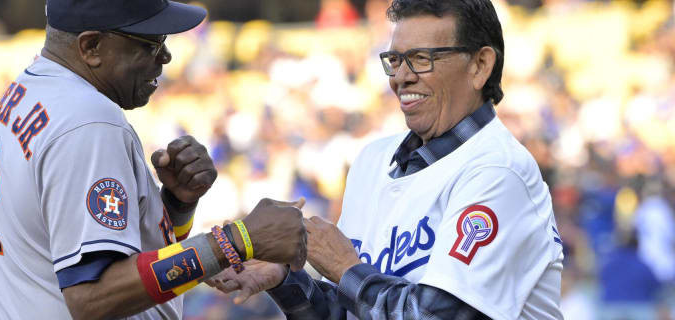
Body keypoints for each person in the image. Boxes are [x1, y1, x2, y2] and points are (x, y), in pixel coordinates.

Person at [207, 0, 564, 319]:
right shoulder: (373, 159)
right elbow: (354, 312)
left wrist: (345, 269)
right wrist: (286, 279)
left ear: (480, 65)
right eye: (394, 60)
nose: (401, 77)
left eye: (422, 59)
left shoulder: (499, 171)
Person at [0, 1, 307, 319]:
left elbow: (101, 257)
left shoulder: (32, 87)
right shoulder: (88, 119)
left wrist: (175, 206)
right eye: (149, 43)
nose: (167, 56)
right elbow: (92, 298)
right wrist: (235, 242)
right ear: (91, 47)